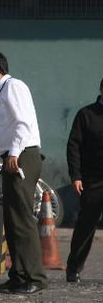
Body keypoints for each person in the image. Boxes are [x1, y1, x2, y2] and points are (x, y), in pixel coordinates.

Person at [0, 50, 47, 294]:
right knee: (12, 220)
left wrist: (14, 154)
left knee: (22, 219)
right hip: (13, 158)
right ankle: (19, 274)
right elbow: (5, 135)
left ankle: (34, 277)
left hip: (23, 157)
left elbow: (22, 123)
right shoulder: (1, 92)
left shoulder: (14, 87)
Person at [65, 77, 103, 283]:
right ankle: (74, 267)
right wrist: (76, 176)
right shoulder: (86, 115)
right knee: (86, 225)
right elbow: (73, 147)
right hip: (93, 178)